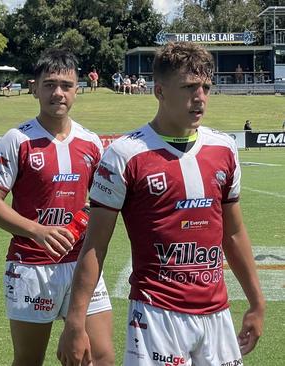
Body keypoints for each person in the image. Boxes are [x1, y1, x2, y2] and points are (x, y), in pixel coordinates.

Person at [58, 42, 265, 366]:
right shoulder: (125, 155)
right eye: (188, 87)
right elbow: (95, 245)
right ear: (159, 91)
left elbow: (234, 234)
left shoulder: (224, 149)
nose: (200, 97)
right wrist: (76, 319)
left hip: (217, 316)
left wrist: (256, 302)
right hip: (156, 316)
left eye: (206, 87)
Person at [0, 48, 114, 366]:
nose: (58, 93)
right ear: (34, 87)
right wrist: (37, 231)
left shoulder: (92, 142)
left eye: (66, 85)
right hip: (31, 267)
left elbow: (104, 202)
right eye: (50, 84)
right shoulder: (17, 140)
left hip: (82, 265)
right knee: (29, 361)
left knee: (101, 357)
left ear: (77, 89)